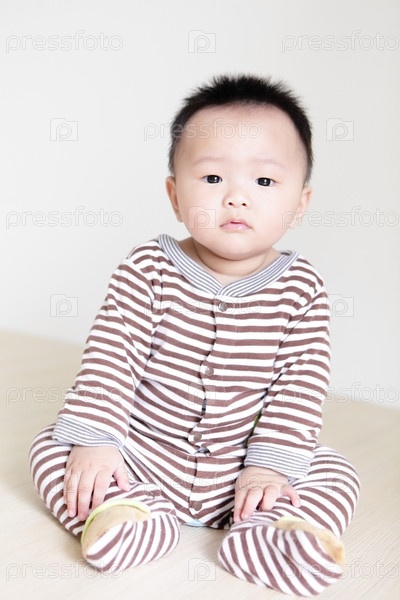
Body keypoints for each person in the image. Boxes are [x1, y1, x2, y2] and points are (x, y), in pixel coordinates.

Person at [29, 74, 360, 596]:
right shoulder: (148, 268)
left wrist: (266, 470)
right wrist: (97, 441)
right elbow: (113, 356)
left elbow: (300, 386)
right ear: (175, 196)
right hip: (142, 455)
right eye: (212, 178)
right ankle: (127, 515)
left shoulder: (302, 289)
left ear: (300, 203)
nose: (236, 198)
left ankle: (268, 533)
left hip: (244, 472)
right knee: (55, 445)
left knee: (334, 469)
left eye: (264, 182)